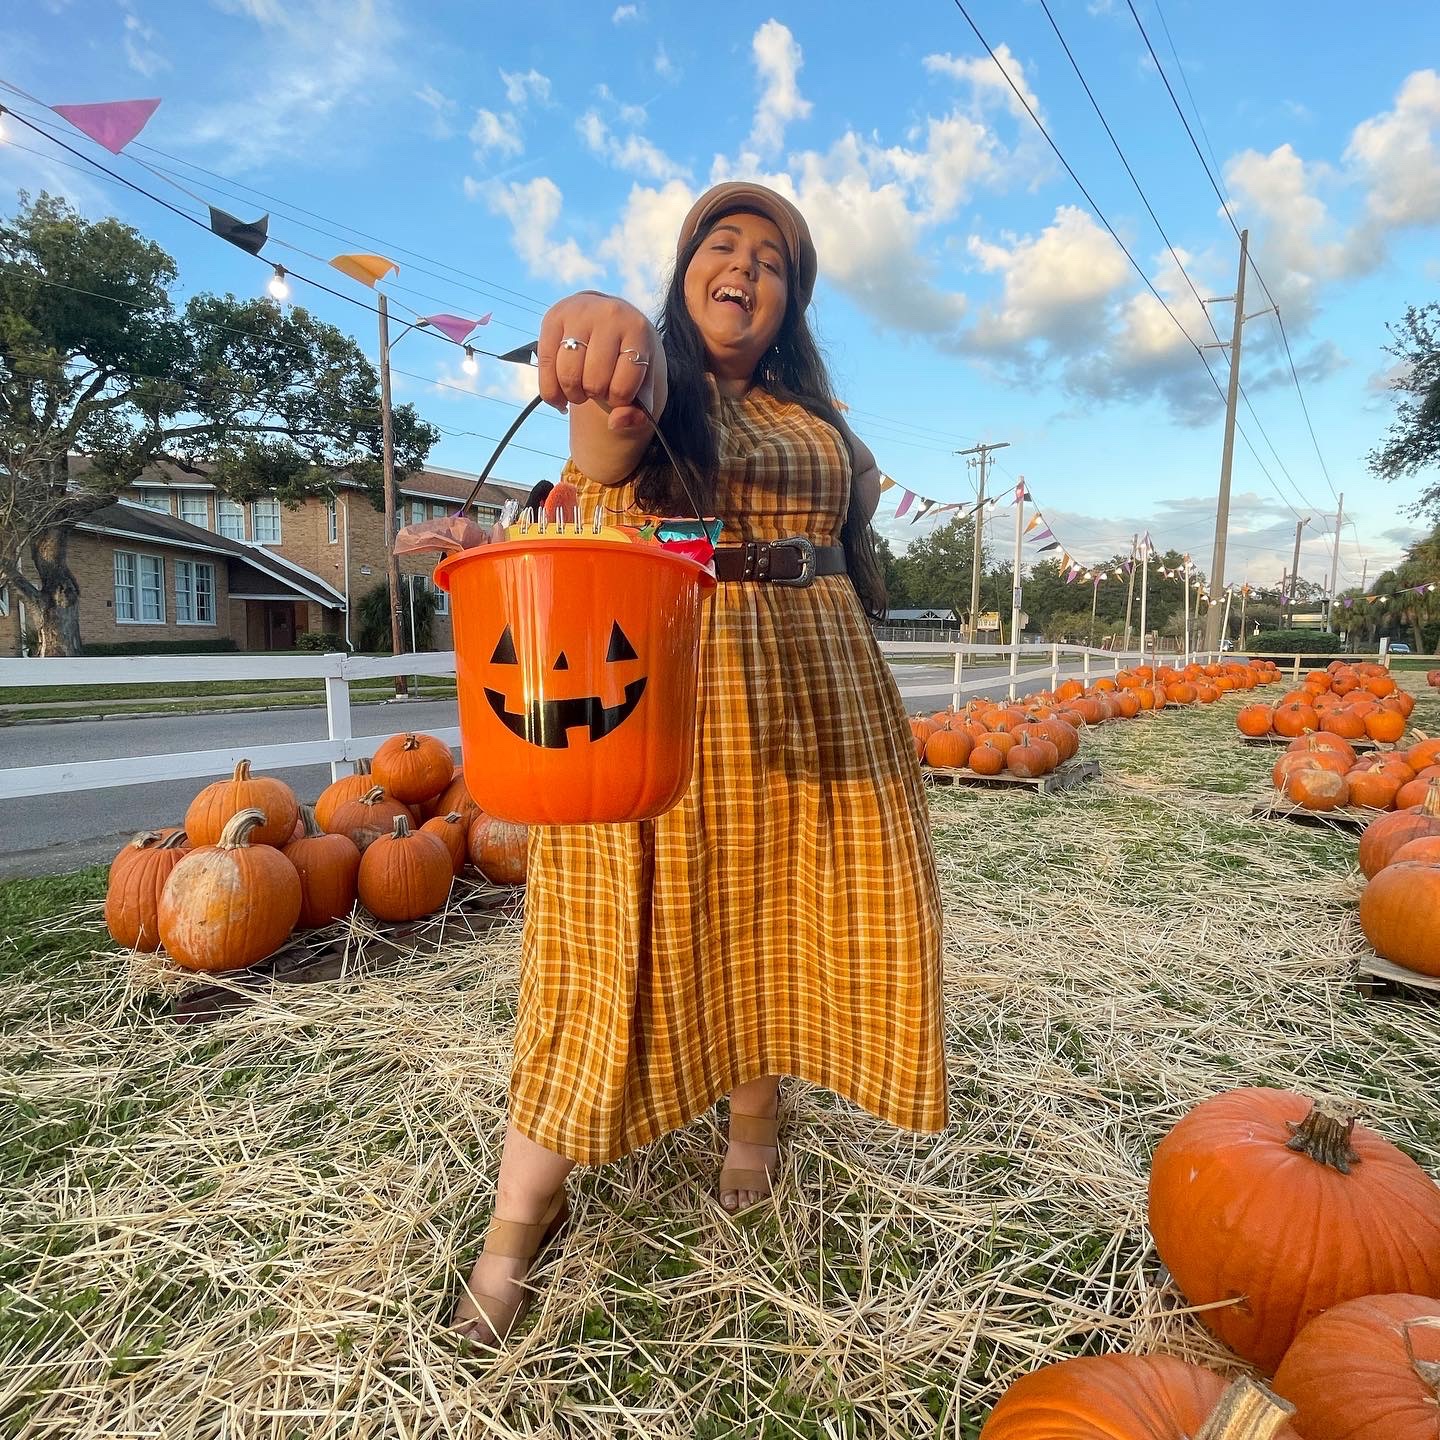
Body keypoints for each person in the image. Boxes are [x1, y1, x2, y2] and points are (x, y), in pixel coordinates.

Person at [452, 181, 948, 1346]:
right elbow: (603, 428)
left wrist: (848, 492)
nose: (745, 268)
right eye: (722, 247)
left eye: (772, 259)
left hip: (820, 687)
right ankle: (522, 1216)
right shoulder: (656, 383)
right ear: (684, 274)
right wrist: (606, 335)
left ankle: (755, 1115)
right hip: (672, 683)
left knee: (778, 910)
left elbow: (858, 496)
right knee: (605, 939)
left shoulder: (809, 408)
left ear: (793, 298)